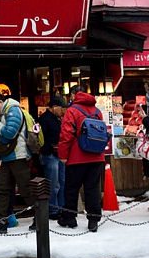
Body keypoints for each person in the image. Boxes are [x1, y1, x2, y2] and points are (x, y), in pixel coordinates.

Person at [0, 90, 35, 235]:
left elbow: (9, 133)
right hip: (8, 157)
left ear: (0, 102)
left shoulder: (13, 111)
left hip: (18, 156)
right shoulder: (5, 112)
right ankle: (1, 221)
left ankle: (39, 217)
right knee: (3, 188)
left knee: (25, 188)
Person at [57, 91, 105, 232]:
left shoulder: (72, 110)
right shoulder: (97, 111)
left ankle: (69, 218)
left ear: (74, 97)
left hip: (76, 157)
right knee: (93, 188)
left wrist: (63, 155)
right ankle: (93, 220)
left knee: (71, 188)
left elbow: (66, 134)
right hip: (96, 156)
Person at [38, 96, 67, 218]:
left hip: (59, 154)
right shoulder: (44, 119)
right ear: (54, 107)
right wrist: (47, 149)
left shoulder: (57, 119)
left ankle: (61, 208)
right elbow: (40, 138)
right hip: (50, 155)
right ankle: (53, 210)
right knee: (53, 184)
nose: (62, 111)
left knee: (62, 181)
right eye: (61, 108)